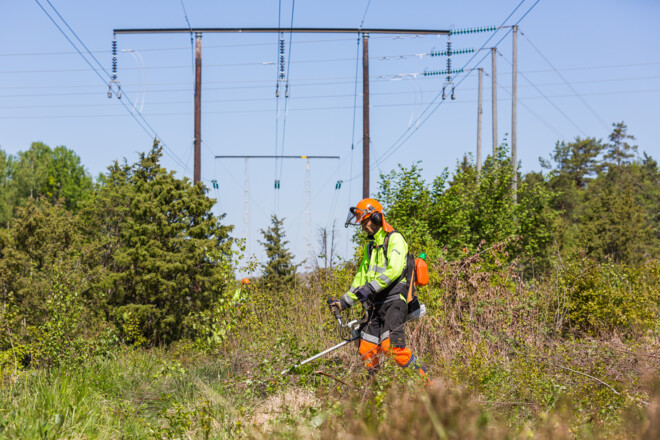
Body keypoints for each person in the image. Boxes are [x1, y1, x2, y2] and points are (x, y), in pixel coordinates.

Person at [329, 198, 427, 377]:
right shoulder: (370, 248)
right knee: (366, 350)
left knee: (393, 349)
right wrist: (344, 302)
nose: (362, 226)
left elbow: (394, 270)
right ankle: (376, 394)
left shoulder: (395, 239)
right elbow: (360, 280)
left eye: (364, 221)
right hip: (375, 305)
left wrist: (368, 289)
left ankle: (427, 385)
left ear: (375, 217)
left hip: (394, 301)